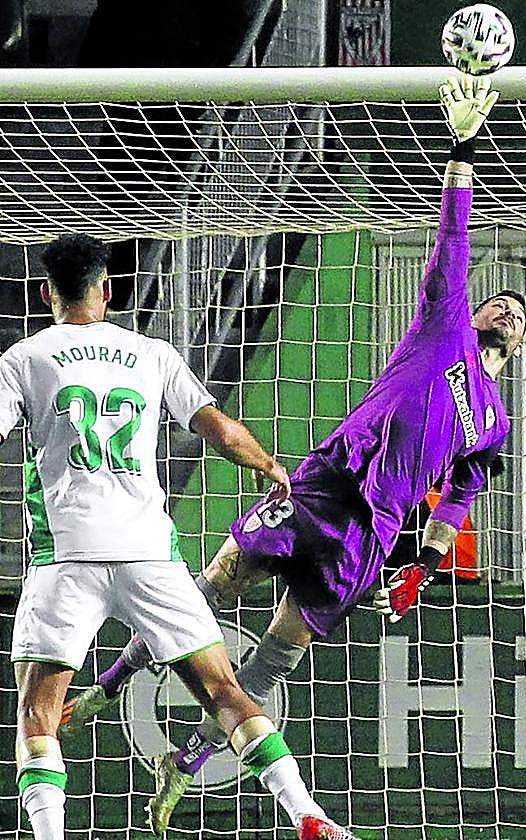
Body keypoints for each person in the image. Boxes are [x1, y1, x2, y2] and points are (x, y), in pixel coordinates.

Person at [62, 75, 526, 833]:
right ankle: (110, 683)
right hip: (322, 486)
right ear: (470, 311)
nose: (506, 306)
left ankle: (187, 764)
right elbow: (453, 237)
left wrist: (424, 569)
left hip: (370, 536)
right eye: (496, 300)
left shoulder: (495, 422)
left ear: (518, 348)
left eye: (517, 313)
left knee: (275, 660)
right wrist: (463, 148)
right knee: (210, 586)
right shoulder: (442, 331)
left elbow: (463, 498)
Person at [2, 233, 357, 840]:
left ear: (45, 293)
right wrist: (269, 465)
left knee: (38, 711)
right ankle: (309, 815)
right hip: (148, 555)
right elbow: (216, 428)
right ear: (107, 290)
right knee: (223, 688)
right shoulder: (153, 352)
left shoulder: (23, 360)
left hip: (67, 557)